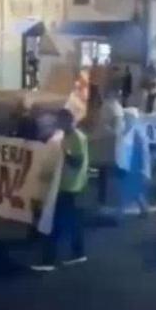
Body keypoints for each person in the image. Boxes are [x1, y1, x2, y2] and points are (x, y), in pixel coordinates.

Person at [32, 109, 89, 272]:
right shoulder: (69, 136)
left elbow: (77, 162)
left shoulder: (76, 137)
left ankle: (49, 260)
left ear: (68, 121)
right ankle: (78, 253)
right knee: (71, 222)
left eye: (60, 121)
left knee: (55, 223)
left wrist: (63, 153)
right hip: (69, 185)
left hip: (69, 187)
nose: (58, 124)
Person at [115, 108, 151, 219]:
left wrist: (144, 170)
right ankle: (144, 209)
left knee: (128, 189)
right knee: (133, 190)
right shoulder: (125, 130)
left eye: (127, 118)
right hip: (127, 165)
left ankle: (120, 213)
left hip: (134, 167)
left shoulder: (138, 134)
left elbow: (143, 154)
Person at [95, 87, 124, 208]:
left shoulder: (110, 108)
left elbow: (112, 129)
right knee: (106, 174)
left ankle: (105, 201)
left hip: (108, 145)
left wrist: (98, 132)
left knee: (106, 174)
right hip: (110, 145)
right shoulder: (115, 107)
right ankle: (104, 200)